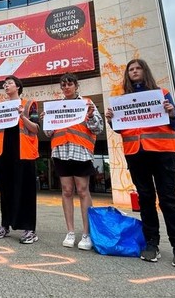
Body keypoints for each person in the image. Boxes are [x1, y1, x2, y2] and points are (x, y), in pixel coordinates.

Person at [104, 59, 175, 269]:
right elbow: (121, 129)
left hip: (163, 153)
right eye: (131, 69)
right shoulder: (123, 100)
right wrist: (111, 120)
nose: (134, 72)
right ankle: (152, 243)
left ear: (145, 71)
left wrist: (171, 112)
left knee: (168, 199)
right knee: (145, 199)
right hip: (136, 153)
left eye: (137, 68)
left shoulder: (162, 93)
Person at [42, 73, 103, 250]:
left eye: (69, 84)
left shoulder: (87, 103)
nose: (66, 87)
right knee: (67, 191)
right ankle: (70, 232)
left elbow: (98, 127)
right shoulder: (55, 106)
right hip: (61, 151)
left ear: (76, 86)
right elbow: (48, 133)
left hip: (81, 151)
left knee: (83, 191)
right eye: (63, 85)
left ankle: (86, 234)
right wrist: (47, 119)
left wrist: (91, 116)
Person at [0, 75, 39, 244]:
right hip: (4, 153)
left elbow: (35, 128)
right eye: (4, 84)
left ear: (18, 87)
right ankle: (5, 225)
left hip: (24, 153)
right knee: (6, 191)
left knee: (26, 191)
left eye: (9, 83)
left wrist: (22, 116)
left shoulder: (28, 104)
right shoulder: (0, 107)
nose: (6, 86)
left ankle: (29, 229)